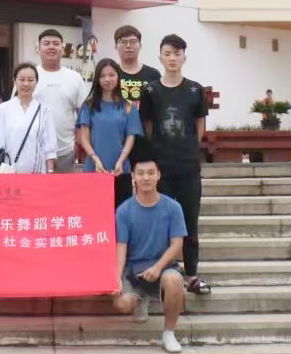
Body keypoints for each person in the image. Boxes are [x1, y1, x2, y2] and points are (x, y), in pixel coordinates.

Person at [143, 33, 210, 295]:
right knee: (161, 221)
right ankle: (165, 273)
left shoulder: (195, 90)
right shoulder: (151, 90)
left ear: (185, 58)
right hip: (162, 168)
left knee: (190, 221)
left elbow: (200, 125)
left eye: (177, 53)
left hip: (188, 166)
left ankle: (192, 274)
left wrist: (188, 148)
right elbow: (148, 126)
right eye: (167, 53)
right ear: (160, 58)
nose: (172, 58)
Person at [113, 156, 188, 354]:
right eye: (140, 173)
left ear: (158, 175)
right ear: (133, 177)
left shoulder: (173, 208)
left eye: (150, 173)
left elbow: (177, 246)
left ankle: (169, 333)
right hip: (134, 269)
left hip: (164, 266)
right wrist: (116, 277)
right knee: (122, 304)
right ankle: (140, 299)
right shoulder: (123, 211)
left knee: (173, 281)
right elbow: (121, 247)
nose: (145, 178)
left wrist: (157, 267)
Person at [77, 58, 143, 205]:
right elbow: (84, 138)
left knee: (120, 212)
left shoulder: (129, 107)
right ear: (97, 79)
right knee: (94, 211)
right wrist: (95, 159)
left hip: (121, 169)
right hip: (94, 168)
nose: (107, 79)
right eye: (103, 76)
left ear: (118, 77)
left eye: (112, 75)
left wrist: (121, 161)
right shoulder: (88, 106)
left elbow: (131, 137)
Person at [112, 24, 161, 199]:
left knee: (145, 187)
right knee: (120, 190)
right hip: (117, 141)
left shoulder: (153, 74)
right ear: (116, 46)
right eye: (123, 42)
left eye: (133, 42)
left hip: (144, 140)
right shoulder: (110, 73)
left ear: (140, 45)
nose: (128, 46)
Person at [0, 63, 57, 174]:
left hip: (37, 175)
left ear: (36, 82)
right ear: (15, 81)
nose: (26, 84)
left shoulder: (44, 111)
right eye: (22, 79)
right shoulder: (4, 109)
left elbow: (50, 150)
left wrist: (50, 173)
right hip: (9, 174)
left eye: (30, 80)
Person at [32, 28, 86, 173]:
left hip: (66, 151)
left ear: (62, 49)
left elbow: (83, 115)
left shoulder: (75, 78)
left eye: (56, 44)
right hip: (32, 150)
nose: (51, 47)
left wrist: (77, 145)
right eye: (46, 43)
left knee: (63, 188)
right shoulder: (29, 76)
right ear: (38, 49)